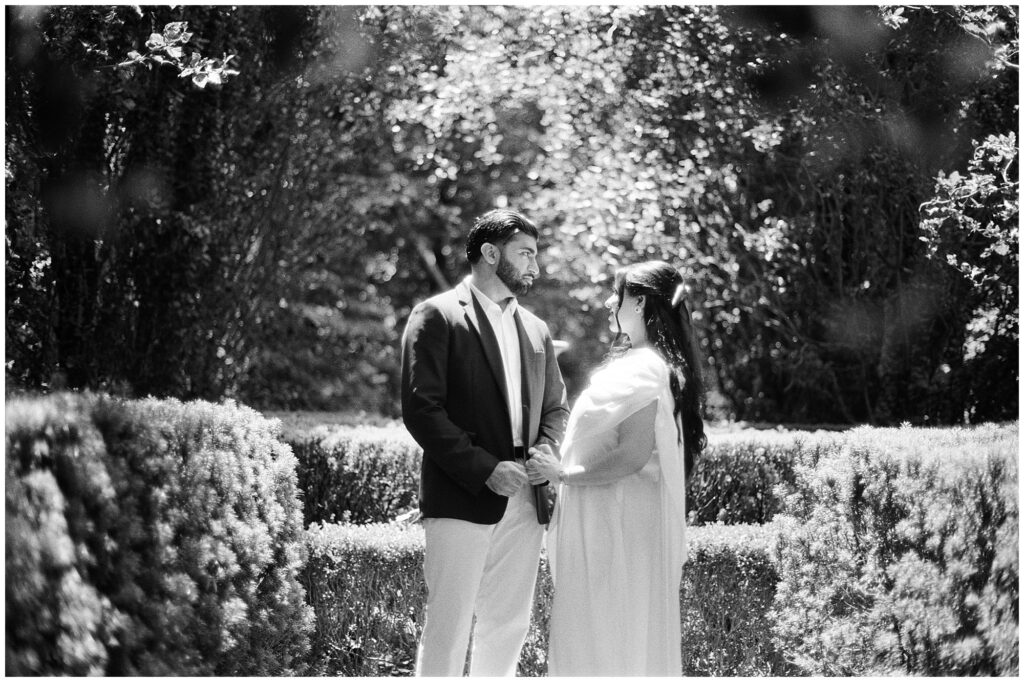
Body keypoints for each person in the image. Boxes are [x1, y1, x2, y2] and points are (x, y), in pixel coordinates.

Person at [401, 208, 569, 677]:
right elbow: (422, 410)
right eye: (526, 253)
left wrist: (545, 451)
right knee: (448, 625)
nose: (535, 266)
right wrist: (485, 470)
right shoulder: (436, 315)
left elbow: (556, 408)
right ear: (491, 254)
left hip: (527, 496)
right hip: (462, 493)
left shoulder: (536, 329)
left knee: (509, 623)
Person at [526, 260, 706, 676]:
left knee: (610, 633)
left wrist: (561, 474)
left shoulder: (646, 368)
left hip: (617, 527)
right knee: (603, 632)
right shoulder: (643, 362)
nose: (610, 302)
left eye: (617, 294)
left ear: (639, 302)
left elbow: (632, 455)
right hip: (606, 520)